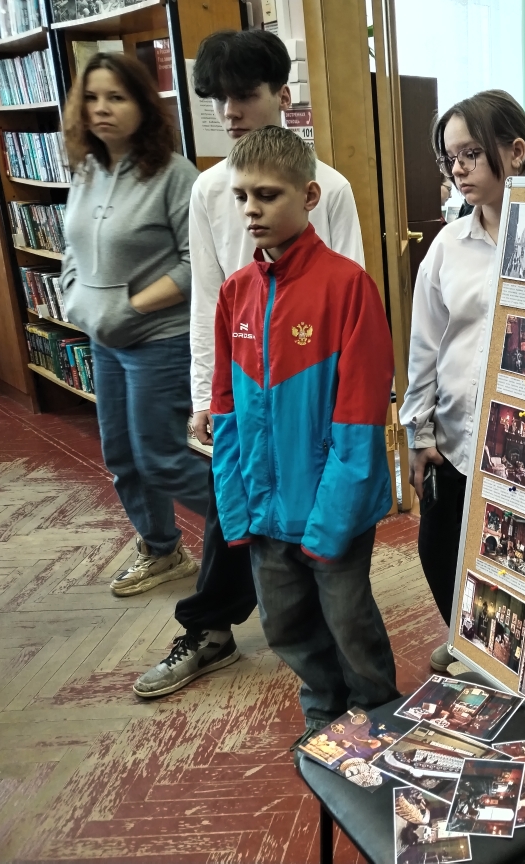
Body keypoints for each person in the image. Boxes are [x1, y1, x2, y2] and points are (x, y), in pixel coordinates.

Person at [133, 28, 365, 699]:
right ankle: (212, 628)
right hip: (242, 384)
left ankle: (344, 661)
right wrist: (207, 395)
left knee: (315, 521)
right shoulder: (211, 190)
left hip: (306, 386)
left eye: (244, 96)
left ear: (282, 96)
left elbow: (351, 291)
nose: (229, 112)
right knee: (235, 510)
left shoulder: (329, 187)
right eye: (218, 100)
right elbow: (208, 296)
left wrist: (339, 403)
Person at [211, 125, 398, 737]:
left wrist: (330, 520)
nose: (251, 210)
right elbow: (225, 411)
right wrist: (236, 504)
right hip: (266, 509)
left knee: (349, 623)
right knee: (284, 625)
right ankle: (324, 714)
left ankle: (378, 718)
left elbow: (360, 418)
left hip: (332, 508)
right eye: (242, 196)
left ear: (310, 196)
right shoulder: (235, 294)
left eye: (267, 195)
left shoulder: (348, 287)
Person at [400, 90, 525, 674]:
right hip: (458, 437)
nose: (457, 168)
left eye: (470, 153)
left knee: (520, 555)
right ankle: (472, 641)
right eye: (449, 157)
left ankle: (509, 661)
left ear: (515, 151)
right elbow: (425, 345)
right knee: (439, 549)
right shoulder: (448, 245)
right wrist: (419, 431)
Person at [60, 53, 206, 597]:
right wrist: (73, 295)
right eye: (92, 98)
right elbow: (72, 246)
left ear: (143, 106)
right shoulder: (87, 170)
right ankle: (163, 550)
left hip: (159, 341)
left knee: (163, 460)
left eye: (116, 97)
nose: (101, 108)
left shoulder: (175, 174)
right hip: (104, 341)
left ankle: (254, 531)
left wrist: (132, 306)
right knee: (122, 456)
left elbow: (197, 264)